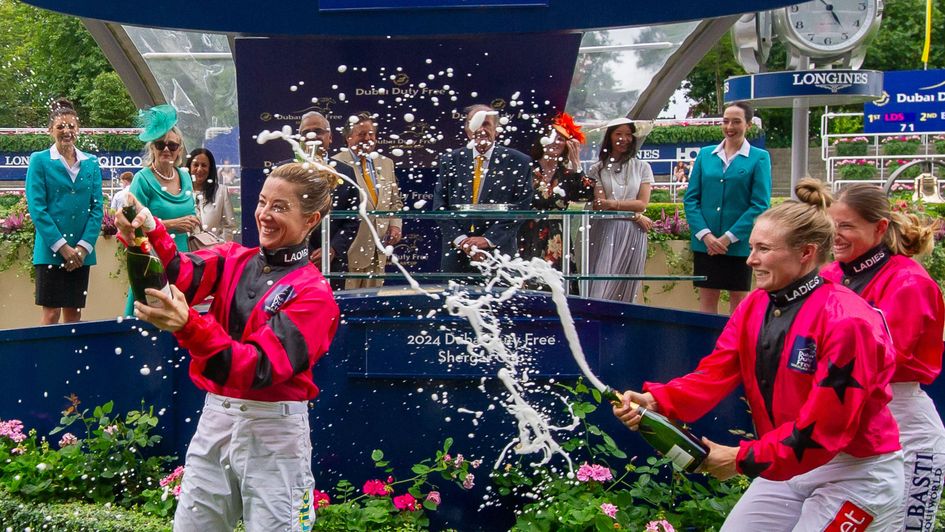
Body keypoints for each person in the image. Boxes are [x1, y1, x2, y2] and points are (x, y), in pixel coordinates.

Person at [613, 179, 904, 530]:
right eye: (751, 247)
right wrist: (656, 400)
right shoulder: (754, 304)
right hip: (789, 462)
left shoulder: (848, 322)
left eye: (763, 249)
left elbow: (824, 431)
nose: (750, 260)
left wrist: (741, 458)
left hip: (856, 472)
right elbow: (714, 373)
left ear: (806, 253)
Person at [117, 162, 340, 530]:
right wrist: (147, 228)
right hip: (216, 417)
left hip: (275, 430)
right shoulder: (235, 258)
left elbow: (256, 369)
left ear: (311, 220)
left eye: (280, 207)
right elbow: (179, 273)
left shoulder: (315, 295)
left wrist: (190, 326)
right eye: (263, 202)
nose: (264, 215)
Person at [821, 183, 945, 530]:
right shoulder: (829, 276)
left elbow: (884, 357)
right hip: (850, 424)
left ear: (878, 228)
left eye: (847, 226)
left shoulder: (909, 280)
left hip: (907, 431)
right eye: (833, 224)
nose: (836, 235)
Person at [684, 102, 771, 314]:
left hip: (738, 245)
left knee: (739, 304)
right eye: (725, 121)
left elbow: (760, 204)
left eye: (736, 121)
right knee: (706, 303)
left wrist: (728, 237)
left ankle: (736, 347)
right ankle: (708, 346)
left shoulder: (759, 157)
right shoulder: (705, 155)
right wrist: (706, 236)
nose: (729, 126)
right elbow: (691, 199)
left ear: (748, 125)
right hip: (706, 245)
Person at [26, 98, 103, 325]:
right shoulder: (39, 161)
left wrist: (81, 248)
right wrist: (63, 247)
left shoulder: (91, 162)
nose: (67, 131)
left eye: (71, 126)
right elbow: (37, 208)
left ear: (78, 129)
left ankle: (72, 361)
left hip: (81, 254)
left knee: (74, 315)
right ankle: (46, 360)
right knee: (51, 315)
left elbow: (97, 208)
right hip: (51, 250)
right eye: (61, 126)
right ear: (51, 130)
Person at [432, 103, 533, 274]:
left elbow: (520, 209)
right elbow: (440, 207)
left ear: (497, 129)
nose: (481, 129)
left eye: (486, 124)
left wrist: (487, 240)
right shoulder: (449, 160)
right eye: (475, 124)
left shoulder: (518, 162)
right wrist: (463, 241)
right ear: (467, 129)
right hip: (457, 258)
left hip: (499, 257)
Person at [124, 104, 199, 315]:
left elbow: (190, 211)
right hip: (152, 260)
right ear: (152, 148)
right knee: (150, 318)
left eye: (172, 146)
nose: (166, 149)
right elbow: (133, 225)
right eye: (160, 144)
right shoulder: (142, 179)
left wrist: (194, 221)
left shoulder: (185, 176)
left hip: (181, 258)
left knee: (181, 319)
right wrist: (173, 224)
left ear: (180, 150)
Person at [517, 112, 595, 287]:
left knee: (558, 287)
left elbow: (586, 194)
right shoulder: (527, 169)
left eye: (561, 139)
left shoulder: (567, 174)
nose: (555, 142)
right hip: (528, 233)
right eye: (552, 136)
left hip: (557, 236)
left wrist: (577, 164)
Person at [331, 112, 403, 289]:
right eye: (361, 134)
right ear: (348, 137)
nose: (367, 138)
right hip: (349, 253)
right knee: (346, 306)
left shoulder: (386, 163)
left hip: (379, 252)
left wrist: (395, 225)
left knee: (373, 309)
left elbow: (395, 201)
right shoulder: (336, 165)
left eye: (371, 134)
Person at [586, 118, 655, 303]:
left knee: (627, 287)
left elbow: (642, 203)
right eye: (618, 134)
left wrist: (616, 205)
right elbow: (599, 204)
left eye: (627, 134)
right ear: (610, 137)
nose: (623, 139)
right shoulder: (597, 169)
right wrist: (632, 214)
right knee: (601, 286)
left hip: (633, 232)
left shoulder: (642, 167)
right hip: (606, 231)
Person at [293, 111, 359, 291]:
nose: (312, 136)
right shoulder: (284, 171)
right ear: (299, 139)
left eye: (318, 131)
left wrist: (332, 249)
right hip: (292, 264)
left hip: (333, 264)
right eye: (306, 132)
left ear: (330, 137)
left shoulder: (345, 173)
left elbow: (353, 220)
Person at [189, 147, 238, 241]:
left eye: (204, 165)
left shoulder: (221, 191)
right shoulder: (181, 192)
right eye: (195, 165)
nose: (199, 169)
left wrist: (218, 248)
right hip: (185, 252)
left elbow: (229, 226)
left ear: (210, 168)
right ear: (189, 167)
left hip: (213, 252)